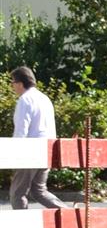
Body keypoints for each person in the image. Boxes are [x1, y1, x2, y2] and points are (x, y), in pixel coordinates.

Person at [8, 67, 65, 210]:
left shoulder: (24, 100)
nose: (12, 86)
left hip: (30, 152)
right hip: (47, 150)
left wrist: (13, 156)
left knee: (17, 193)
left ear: (20, 83)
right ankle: (70, 216)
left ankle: (24, 227)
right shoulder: (44, 98)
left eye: (12, 82)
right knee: (39, 191)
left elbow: (21, 131)